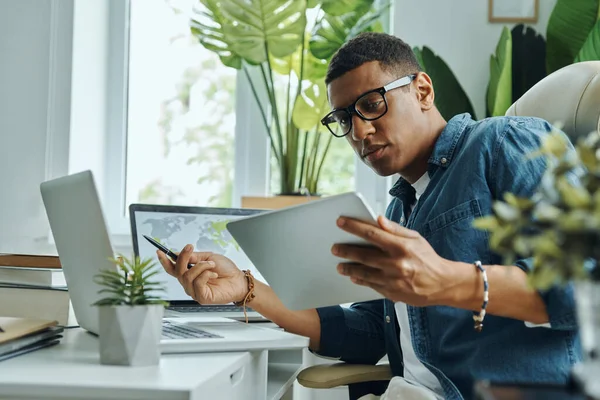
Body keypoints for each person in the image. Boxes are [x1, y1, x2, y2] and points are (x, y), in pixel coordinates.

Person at [157, 32, 581, 400]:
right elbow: (368, 331)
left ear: (423, 91)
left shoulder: (504, 144)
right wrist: (246, 290)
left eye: (372, 104)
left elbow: (583, 286)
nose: (359, 132)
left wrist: (448, 281)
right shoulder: (401, 208)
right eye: (344, 118)